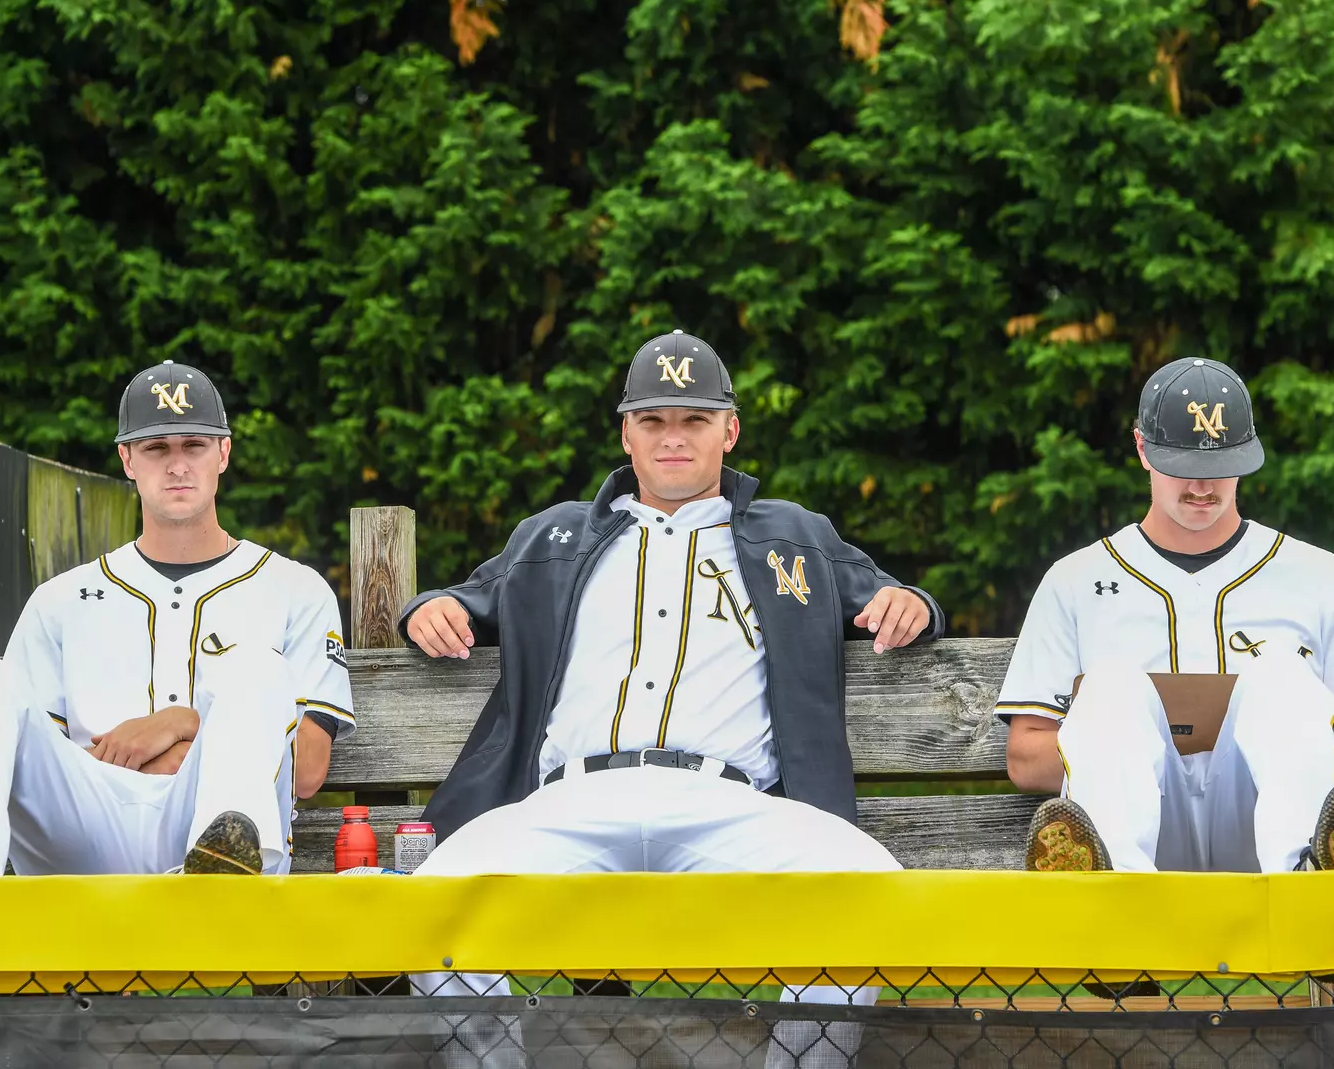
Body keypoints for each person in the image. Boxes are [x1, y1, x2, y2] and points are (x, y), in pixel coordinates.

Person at [400, 330, 942, 1064]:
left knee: (870, 890)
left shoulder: (794, 535)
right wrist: (433, 609)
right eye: (653, 421)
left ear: (730, 428)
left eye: (693, 420)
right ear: (627, 433)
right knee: (426, 904)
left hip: (727, 806)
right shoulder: (554, 535)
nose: (673, 438)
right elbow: (469, 596)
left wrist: (910, 604)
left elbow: (887, 594)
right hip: (571, 804)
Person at [0, 361, 355, 878]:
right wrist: (190, 750)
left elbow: (306, 770)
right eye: (156, 448)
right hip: (86, 830)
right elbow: (25, 771)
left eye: (194, 445)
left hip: (215, 832)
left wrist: (176, 724)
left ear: (223, 453)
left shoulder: (296, 589)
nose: (177, 465)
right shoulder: (61, 599)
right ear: (127, 459)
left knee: (256, 665)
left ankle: (218, 885)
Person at [998, 357, 1334, 874]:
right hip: (1128, 820)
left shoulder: (1318, 574)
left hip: (1263, 817)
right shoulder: (1074, 580)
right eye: (1183, 468)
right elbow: (1024, 756)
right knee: (1111, 687)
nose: (1201, 488)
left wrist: (1278, 743)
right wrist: (1124, 749)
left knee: (1280, 675)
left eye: (1218, 468)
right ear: (1142, 449)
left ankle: (1304, 882)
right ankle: (1110, 894)